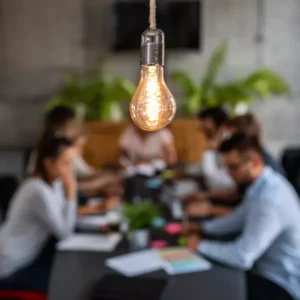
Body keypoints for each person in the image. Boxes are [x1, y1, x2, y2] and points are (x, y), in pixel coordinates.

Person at [184, 133, 300, 300]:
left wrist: (200, 245)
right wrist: (202, 228)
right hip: (265, 268)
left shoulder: (270, 200)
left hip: (281, 282)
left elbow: (242, 256)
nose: (229, 174)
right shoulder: (262, 184)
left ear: (254, 161)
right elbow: (239, 218)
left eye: (234, 167)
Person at [0, 131, 78, 292]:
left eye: (71, 163)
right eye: (65, 163)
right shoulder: (37, 190)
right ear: (48, 163)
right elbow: (65, 233)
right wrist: (71, 191)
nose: (70, 171)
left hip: (27, 257)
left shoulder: (52, 184)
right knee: (67, 284)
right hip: (11, 264)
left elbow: (64, 216)